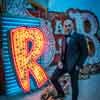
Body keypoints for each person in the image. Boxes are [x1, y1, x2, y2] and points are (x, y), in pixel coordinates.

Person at [50, 19, 88, 100]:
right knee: (53, 78)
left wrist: (79, 65)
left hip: (74, 66)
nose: (67, 27)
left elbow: (85, 53)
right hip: (64, 64)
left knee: (74, 85)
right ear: (63, 27)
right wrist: (60, 61)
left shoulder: (79, 37)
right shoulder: (64, 37)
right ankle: (61, 93)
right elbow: (62, 50)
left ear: (73, 26)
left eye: (69, 25)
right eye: (66, 26)